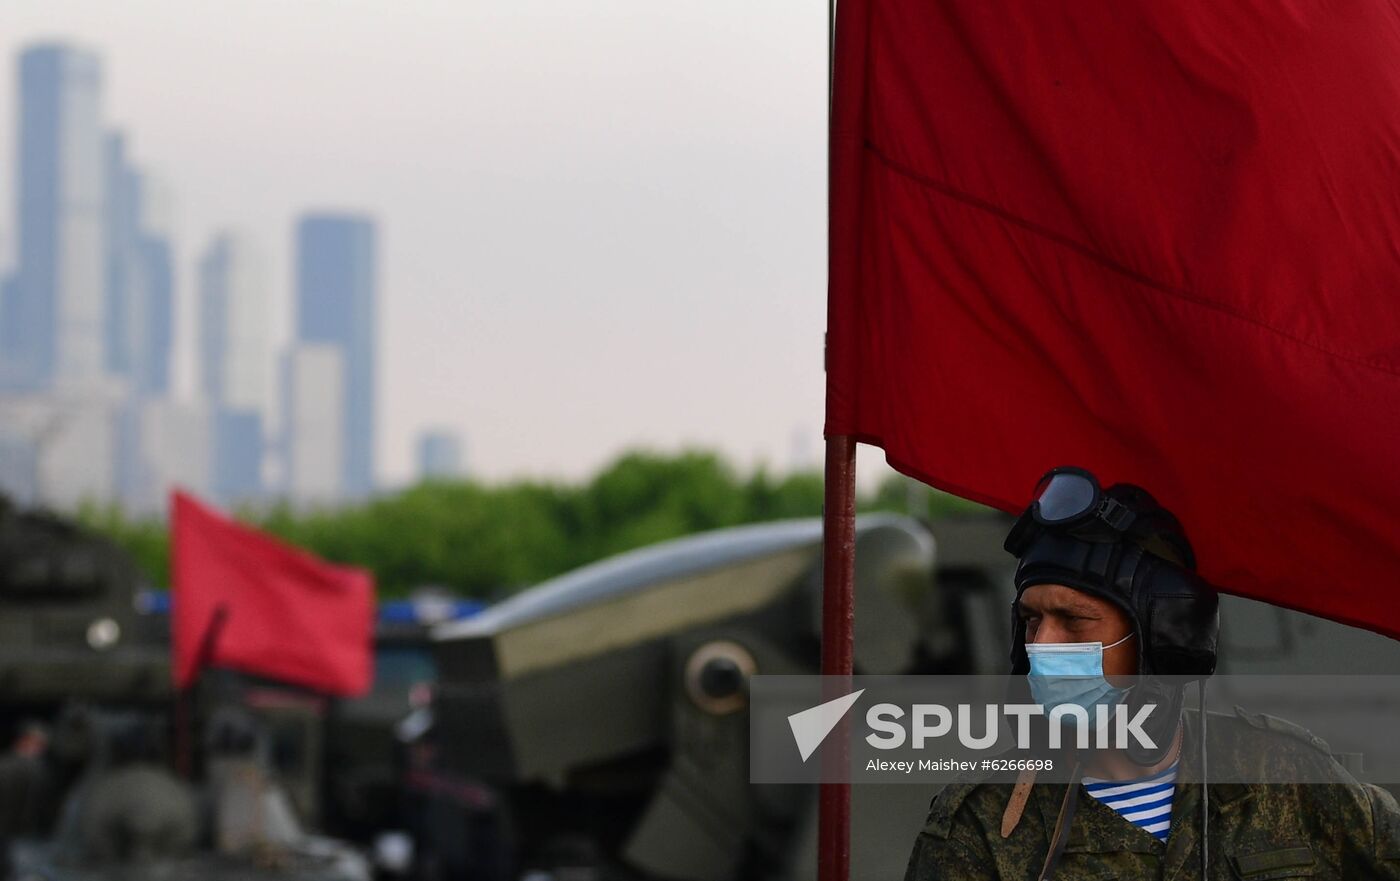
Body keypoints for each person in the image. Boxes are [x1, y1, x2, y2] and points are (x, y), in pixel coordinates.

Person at [904, 466, 1400, 880]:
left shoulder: (1286, 777)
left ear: (1165, 642)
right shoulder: (982, 824)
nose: (1042, 647)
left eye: (1073, 621)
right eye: (1031, 621)